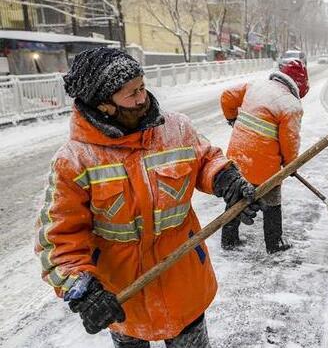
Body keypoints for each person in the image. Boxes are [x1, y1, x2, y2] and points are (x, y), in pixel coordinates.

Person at [34, 47, 261, 347]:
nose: (142, 98)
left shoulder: (176, 128)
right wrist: (84, 290)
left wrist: (227, 180)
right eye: (131, 94)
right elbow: (57, 239)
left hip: (185, 282)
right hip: (124, 296)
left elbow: (205, 160)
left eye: (142, 87)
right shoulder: (75, 161)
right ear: (104, 105)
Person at [219, 59, 309, 254]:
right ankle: (274, 243)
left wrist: (232, 118)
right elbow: (290, 142)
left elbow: (227, 96)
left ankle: (229, 239)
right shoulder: (291, 105)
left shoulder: (256, 85)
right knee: (272, 201)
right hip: (264, 168)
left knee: (236, 196)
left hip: (236, 156)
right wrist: (290, 165)